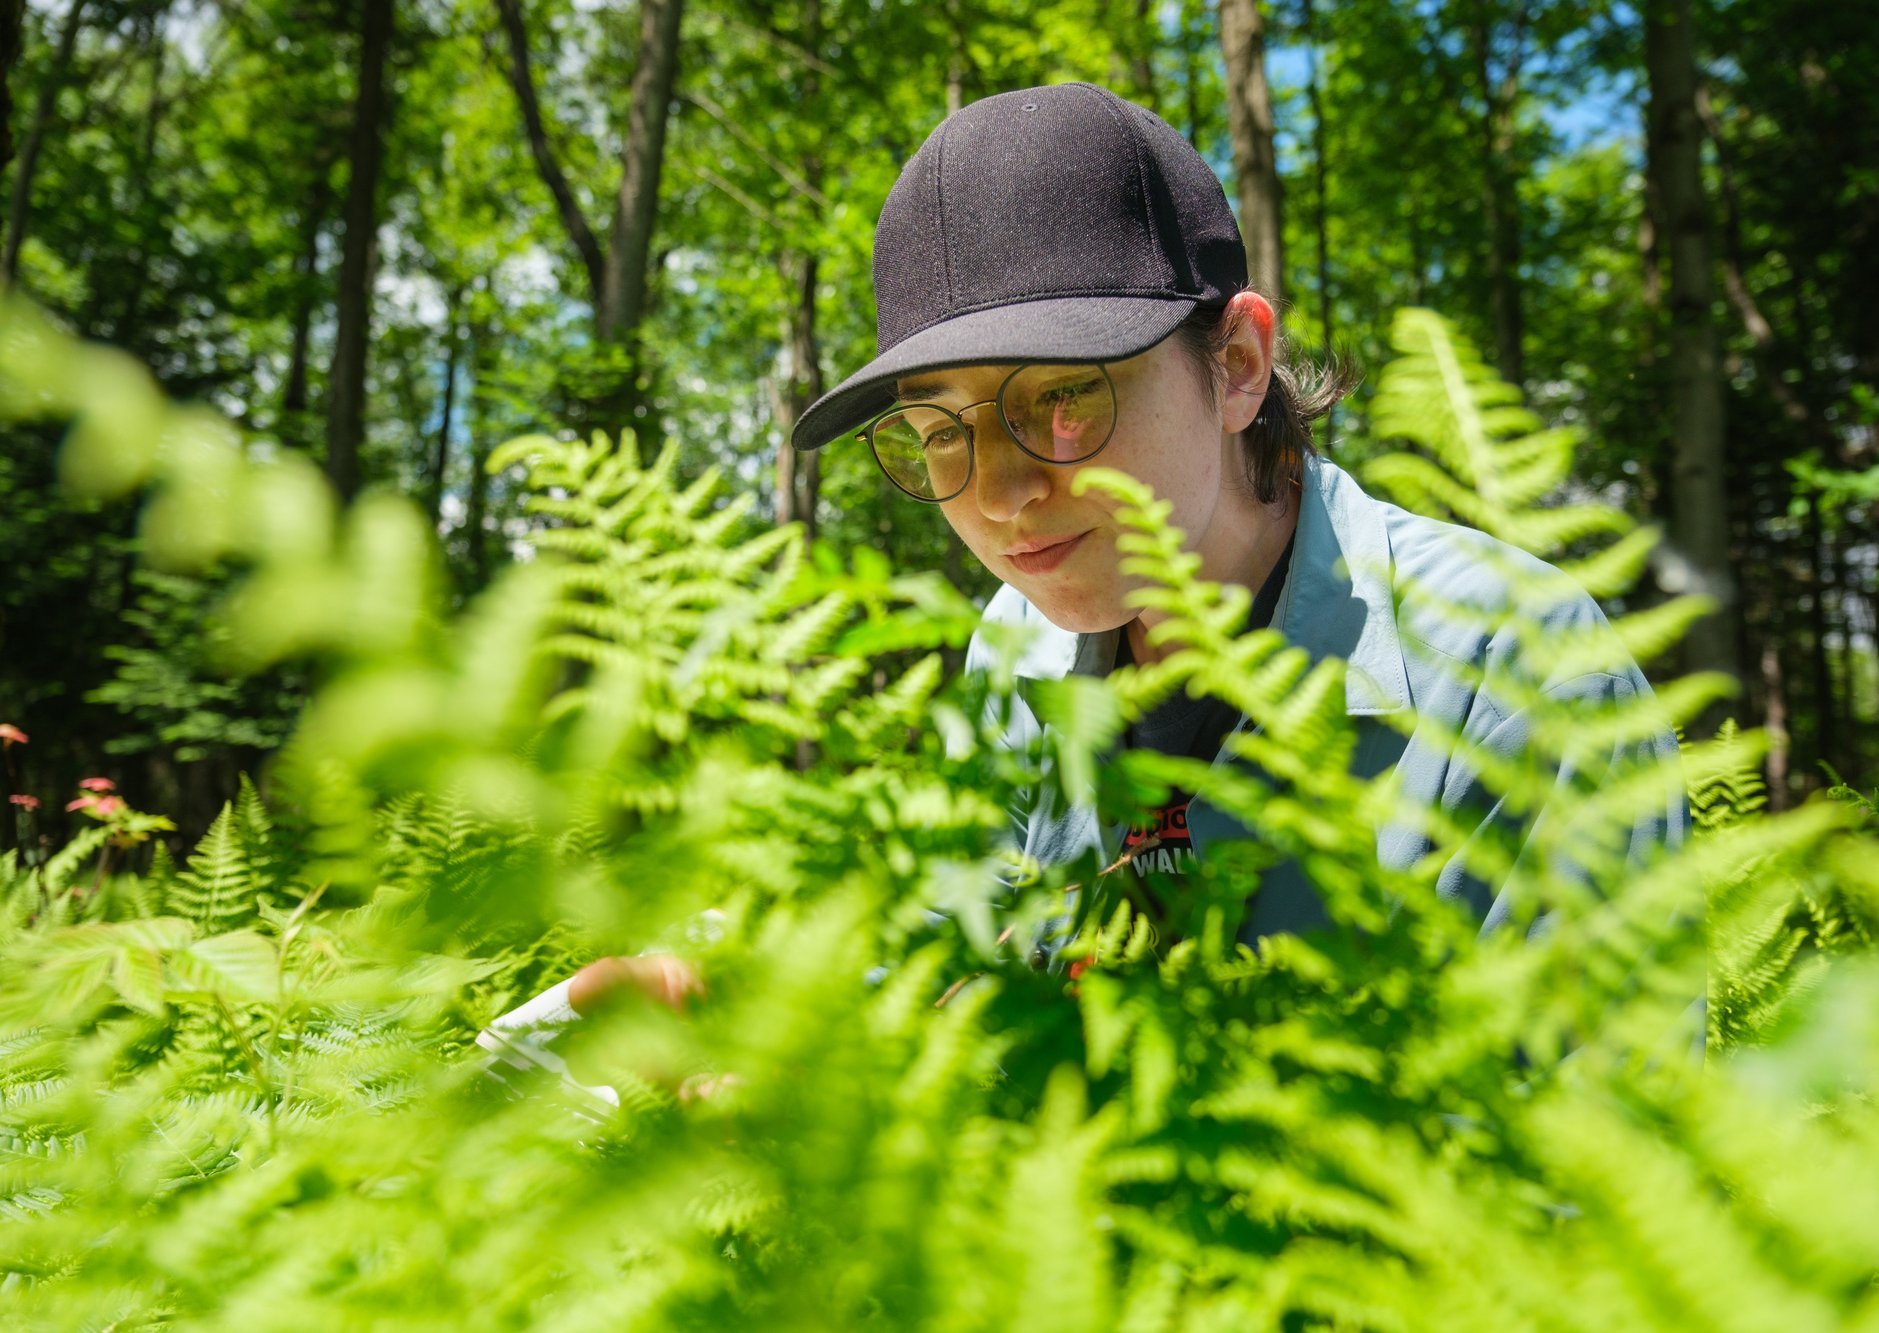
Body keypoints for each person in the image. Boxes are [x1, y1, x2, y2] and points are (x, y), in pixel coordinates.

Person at [480, 82, 1686, 1071]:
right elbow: (966, 961)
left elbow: (1605, 1209)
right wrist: (730, 989)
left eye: (1061, 399)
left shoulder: (1507, 667)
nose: (999, 493)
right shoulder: (1015, 645)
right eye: (936, 431)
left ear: (1237, 366)